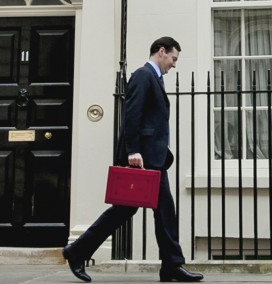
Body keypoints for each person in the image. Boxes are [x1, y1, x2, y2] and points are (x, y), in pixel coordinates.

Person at [62, 36, 204, 282]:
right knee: (137, 211)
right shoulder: (143, 75)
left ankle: (170, 265)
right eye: (173, 58)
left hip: (153, 159)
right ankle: (77, 251)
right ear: (161, 52)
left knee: (157, 212)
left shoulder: (153, 78)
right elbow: (132, 115)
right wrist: (132, 151)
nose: (174, 64)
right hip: (143, 159)